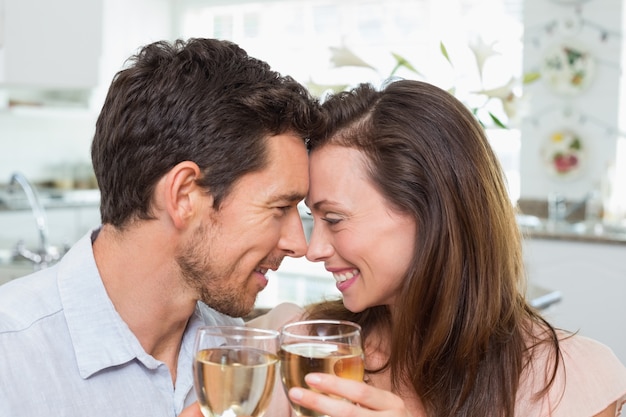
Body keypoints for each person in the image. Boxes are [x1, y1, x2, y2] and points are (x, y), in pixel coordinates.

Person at [251, 80, 626, 417]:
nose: (312, 249)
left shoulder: (569, 382)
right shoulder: (301, 343)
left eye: (333, 219)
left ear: (428, 212)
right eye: (312, 219)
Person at [0, 38, 320, 417]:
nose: (300, 244)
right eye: (280, 207)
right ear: (184, 195)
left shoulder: (237, 344)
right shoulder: (11, 357)